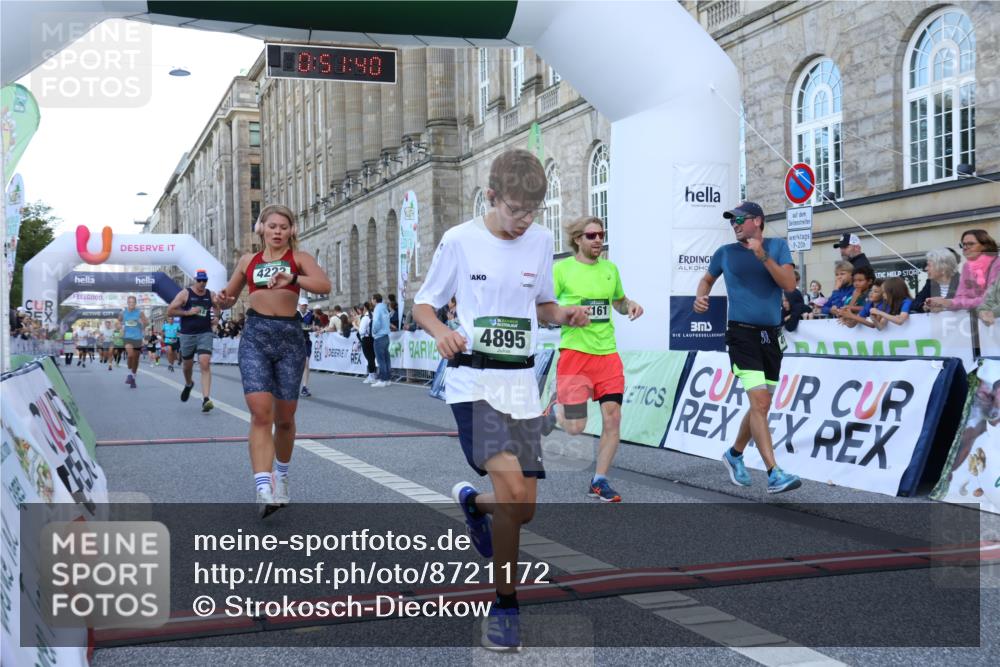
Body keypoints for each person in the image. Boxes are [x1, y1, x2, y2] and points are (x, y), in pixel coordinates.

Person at [413, 149, 589, 652]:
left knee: (523, 508)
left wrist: (565, 314)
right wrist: (441, 330)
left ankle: (472, 503)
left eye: (532, 211)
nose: (523, 221)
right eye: (515, 210)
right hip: (475, 385)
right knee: (513, 493)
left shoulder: (540, 240)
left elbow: (542, 305)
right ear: (492, 197)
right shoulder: (460, 241)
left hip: (521, 386)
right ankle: (506, 605)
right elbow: (423, 302)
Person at [216, 204, 331, 517]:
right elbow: (228, 296)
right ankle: (263, 486)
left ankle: (281, 476)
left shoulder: (300, 259)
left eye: (284, 226)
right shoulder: (247, 261)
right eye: (272, 226)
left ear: (291, 230)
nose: (278, 231)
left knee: (285, 418)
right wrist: (221, 301)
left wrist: (292, 278)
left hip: (290, 339)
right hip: (255, 336)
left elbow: (324, 286)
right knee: (260, 414)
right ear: (261, 230)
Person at [694, 200, 801, 494]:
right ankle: (774, 473)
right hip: (741, 335)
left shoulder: (777, 247)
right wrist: (700, 296)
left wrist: (763, 256)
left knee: (761, 405)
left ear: (757, 220)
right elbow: (706, 279)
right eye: (731, 221)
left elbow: (789, 284)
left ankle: (735, 454)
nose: (735, 225)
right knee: (761, 403)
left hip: (771, 336)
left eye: (739, 219)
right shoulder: (725, 253)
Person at [541, 215, 643, 503]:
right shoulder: (562, 270)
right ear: (578, 239)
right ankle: (553, 408)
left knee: (613, 418)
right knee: (575, 428)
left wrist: (630, 305)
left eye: (601, 234)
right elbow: (545, 307)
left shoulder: (610, 269)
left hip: (607, 354)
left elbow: (619, 302)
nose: (598, 240)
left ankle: (599, 481)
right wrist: (567, 313)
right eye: (592, 235)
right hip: (575, 354)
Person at [166, 269, 220, 413]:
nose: (202, 283)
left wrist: (217, 318)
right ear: (195, 280)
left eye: (204, 281)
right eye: (199, 280)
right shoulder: (185, 294)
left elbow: (217, 307)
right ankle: (189, 384)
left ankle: (206, 399)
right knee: (187, 366)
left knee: (204, 363)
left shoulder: (211, 294)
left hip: (205, 333)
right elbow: (170, 310)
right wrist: (187, 312)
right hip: (187, 335)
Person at [925, 230, 1000, 312]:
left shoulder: (996, 264)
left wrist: (950, 302)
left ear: (985, 246)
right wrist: (942, 303)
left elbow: (991, 299)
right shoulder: (967, 266)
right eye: (963, 244)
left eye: (971, 244)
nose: (965, 247)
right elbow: (960, 296)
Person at [913, 248, 961, 313]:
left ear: (943, 268)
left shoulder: (963, 282)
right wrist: (926, 306)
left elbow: (973, 302)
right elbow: (915, 303)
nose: (926, 268)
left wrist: (945, 303)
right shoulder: (930, 283)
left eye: (929, 265)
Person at [119, 297, 147, 387]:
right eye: (130, 302)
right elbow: (118, 322)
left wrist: (142, 322)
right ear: (127, 303)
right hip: (127, 337)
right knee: (130, 355)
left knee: (136, 359)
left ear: (135, 303)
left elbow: (147, 323)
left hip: (138, 338)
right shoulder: (123, 313)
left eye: (133, 302)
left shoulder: (140, 313)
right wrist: (121, 328)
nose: (131, 304)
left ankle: (133, 377)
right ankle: (129, 374)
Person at [371, 293, 392, 387]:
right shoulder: (384, 308)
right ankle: (387, 379)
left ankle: (383, 379)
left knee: (381, 359)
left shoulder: (377, 308)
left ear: (375, 300)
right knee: (386, 358)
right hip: (386, 335)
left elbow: (376, 322)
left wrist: (374, 331)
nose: (371, 301)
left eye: (372, 299)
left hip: (379, 336)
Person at [297, 296, 314, 397]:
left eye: (305, 305)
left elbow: (311, 327)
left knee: (306, 364)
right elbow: (296, 327)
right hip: (295, 342)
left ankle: (304, 387)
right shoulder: (294, 314)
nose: (304, 307)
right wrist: (307, 327)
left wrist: (311, 328)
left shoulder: (310, 314)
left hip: (306, 341)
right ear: (299, 305)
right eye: (302, 305)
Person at [358, 301, 377, 384]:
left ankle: (371, 375)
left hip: (366, 339)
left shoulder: (365, 318)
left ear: (365, 308)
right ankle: (372, 374)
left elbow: (361, 331)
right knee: (372, 357)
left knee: (369, 358)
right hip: (374, 338)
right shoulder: (374, 316)